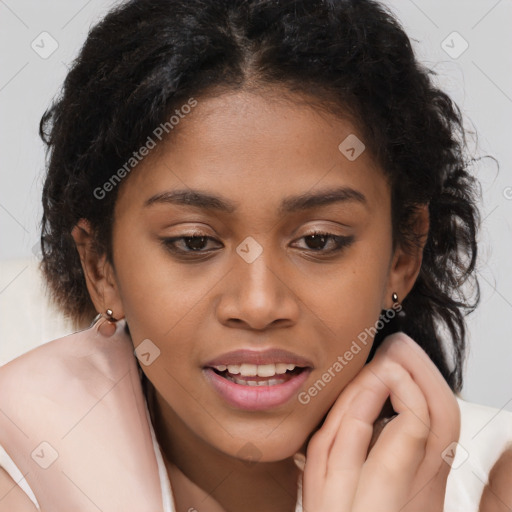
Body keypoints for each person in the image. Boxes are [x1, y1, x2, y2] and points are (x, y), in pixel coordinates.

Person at [0, 0, 511, 510]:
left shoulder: (496, 485)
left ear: (403, 254)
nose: (259, 304)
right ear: (100, 268)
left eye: (318, 240)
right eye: (194, 242)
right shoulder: (23, 467)